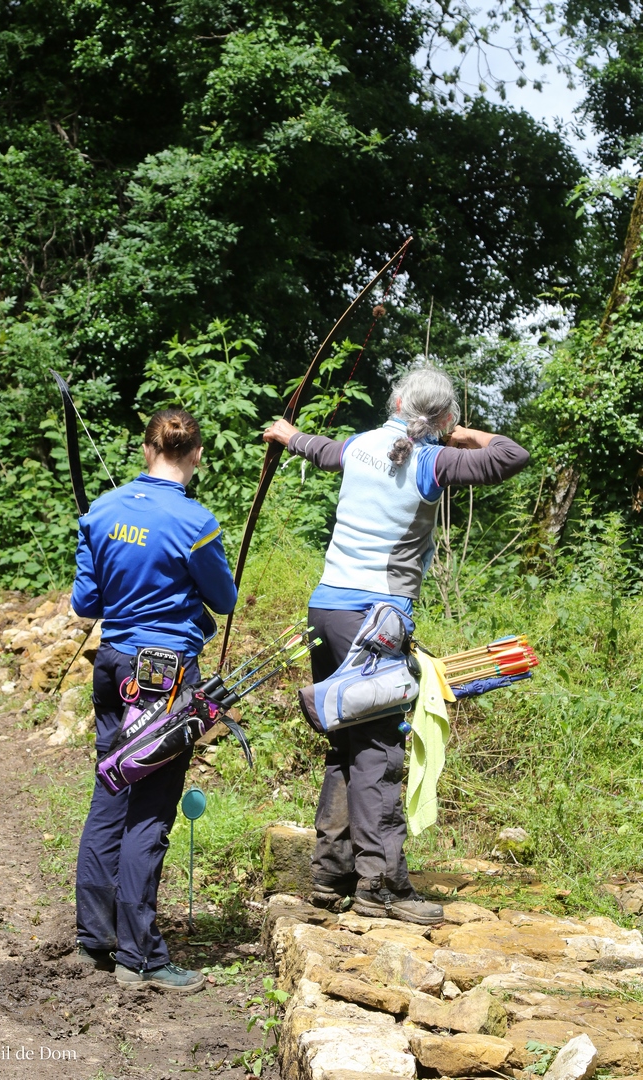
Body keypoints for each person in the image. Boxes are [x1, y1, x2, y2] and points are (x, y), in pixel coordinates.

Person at [263, 366, 530, 924]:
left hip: (326, 610)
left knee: (345, 739)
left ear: (396, 402)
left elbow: (321, 450)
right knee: (379, 752)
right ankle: (381, 886)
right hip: (374, 621)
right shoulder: (433, 460)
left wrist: (289, 435)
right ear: (443, 418)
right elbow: (511, 455)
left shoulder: (360, 446)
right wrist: (462, 433)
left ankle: (331, 874)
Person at [71, 408, 237, 991]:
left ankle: (96, 936)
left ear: (147, 450)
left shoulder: (101, 512)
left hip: (114, 665)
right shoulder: (196, 521)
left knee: (112, 790)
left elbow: (85, 602)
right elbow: (224, 599)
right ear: (196, 456)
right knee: (150, 807)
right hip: (164, 677)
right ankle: (138, 954)